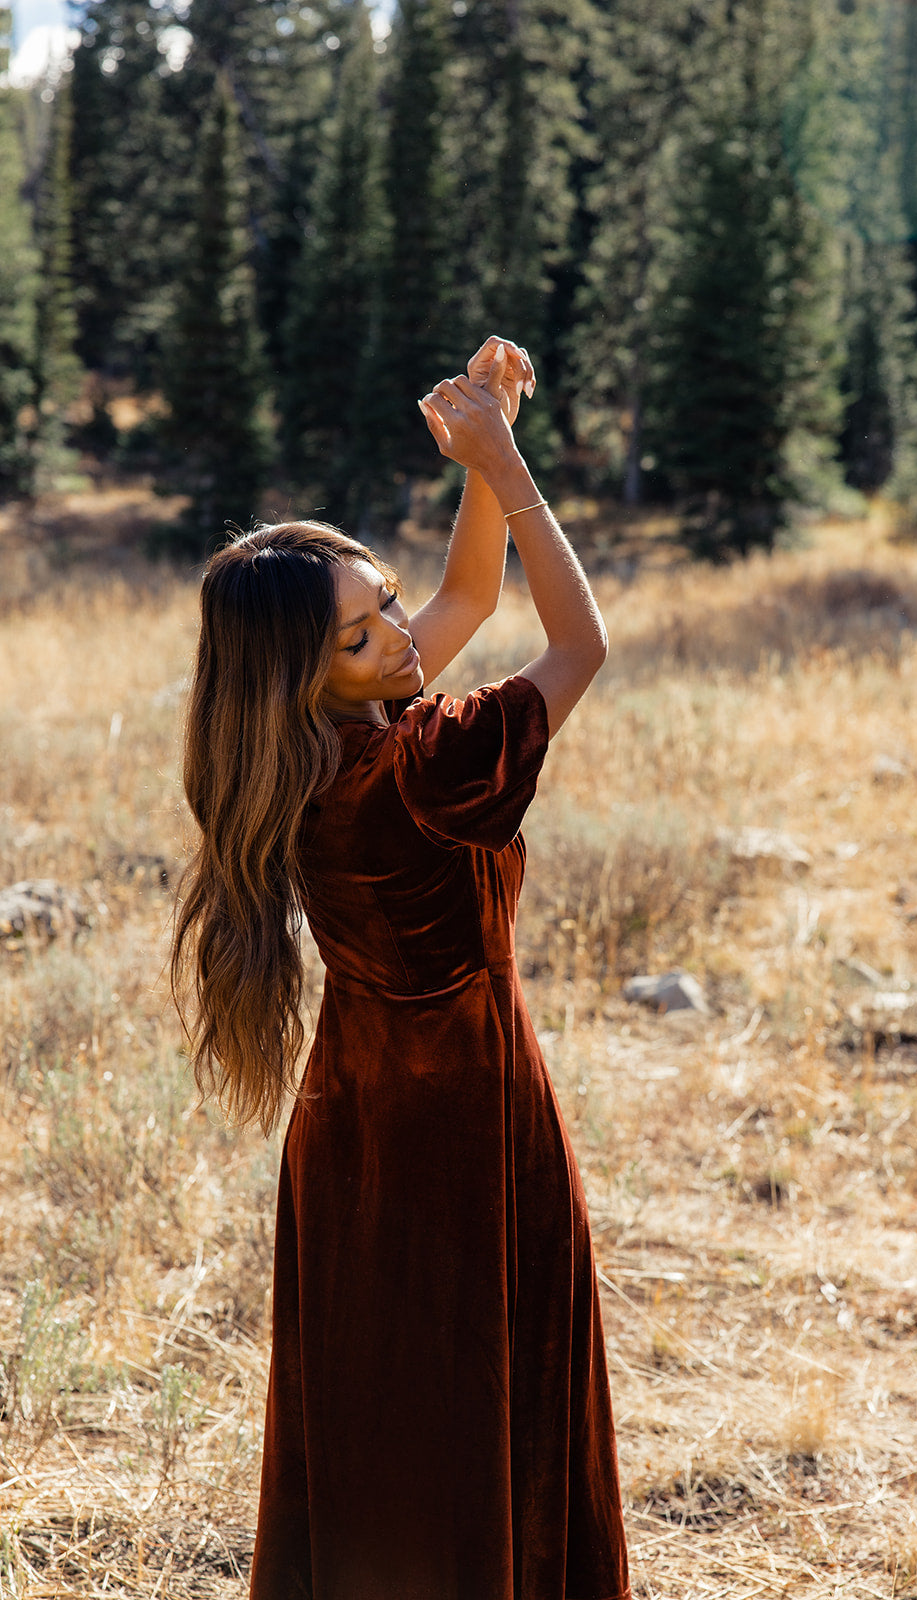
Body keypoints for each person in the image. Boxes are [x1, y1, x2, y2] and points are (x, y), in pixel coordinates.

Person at [172, 337, 631, 1600]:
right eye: (361, 633)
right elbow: (578, 645)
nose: (396, 638)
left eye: (382, 606)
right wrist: (513, 468)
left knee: (387, 1424)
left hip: (355, 1118)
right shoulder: (420, 765)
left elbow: (469, 601)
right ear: (301, 670)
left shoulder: (304, 751)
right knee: (481, 1399)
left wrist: (483, 441)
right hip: (462, 1110)